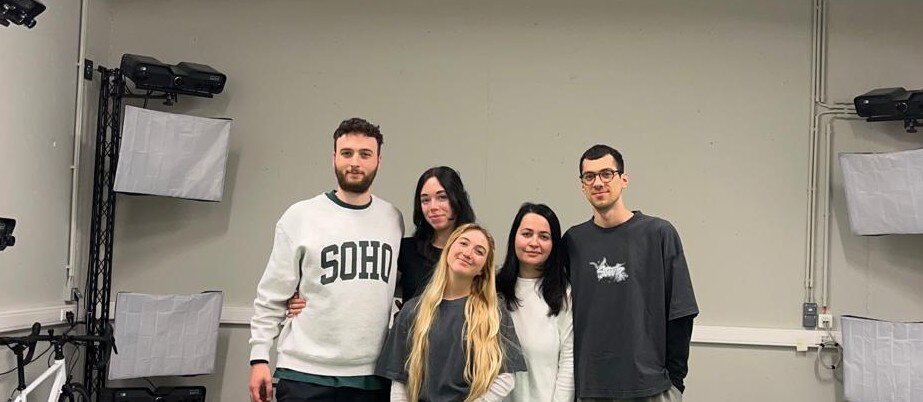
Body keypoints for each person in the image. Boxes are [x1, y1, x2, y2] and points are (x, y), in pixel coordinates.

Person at [248, 117, 404, 402]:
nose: (354, 162)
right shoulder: (300, 216)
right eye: (347, 153)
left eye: (365, 154)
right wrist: (259, 357)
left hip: (371, 375)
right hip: (304, 372)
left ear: (378, 161)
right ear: (334, 158)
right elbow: (271, 293)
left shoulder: (392, 218)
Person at [564, 145, 698, 402]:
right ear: (582, 186)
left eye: (607, 174)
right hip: (591, 389)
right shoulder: (573, 241)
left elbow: (681, 312)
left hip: (650, 388)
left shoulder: (659, 234)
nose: (598, 183)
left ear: (624, 179)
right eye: (589, 176)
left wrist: (675, 384)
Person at [286, 166, 475, 314]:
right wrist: (302, 295)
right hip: (414, 347)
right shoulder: (407, 251)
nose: (433, 207)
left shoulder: (474, 253)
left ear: (457, 199)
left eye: (442, 197)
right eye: (425, 200)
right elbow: (365, 286)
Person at [375, 223, 527, 402]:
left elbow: (506, 377)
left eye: (479, 251)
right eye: (463, 243)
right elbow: (399, 380)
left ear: (483, 269)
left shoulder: (494, 314)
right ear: (448, 249)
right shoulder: (412, 311)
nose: (468, 253)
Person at [495, 203, 574, 402]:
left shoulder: (564, 293)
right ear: (514, 237)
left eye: (544, 237)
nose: (534, 243)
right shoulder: (493, 290)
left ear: (554, 244)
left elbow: (569, 361)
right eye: (527, 234)